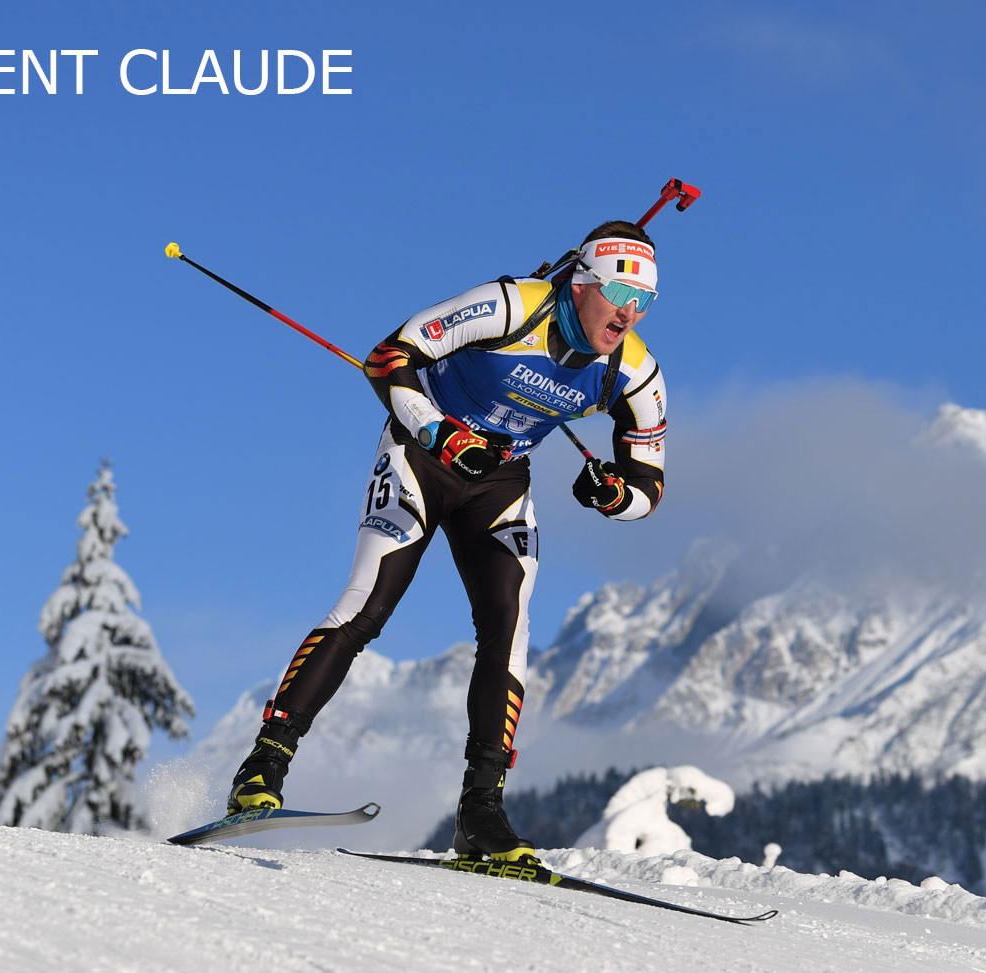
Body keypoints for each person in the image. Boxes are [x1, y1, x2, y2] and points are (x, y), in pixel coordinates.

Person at [226, 220, 669, 862]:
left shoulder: (632, 372)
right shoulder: (513, 307)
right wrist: (440, 434)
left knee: (507, 629)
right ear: (580, 284)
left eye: (645, 300)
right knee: (368, 606)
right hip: (421, 453)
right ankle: (263, 766)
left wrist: (612, 496)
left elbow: (648, 487)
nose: (629, 311)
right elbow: (388, 359)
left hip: (498, 482)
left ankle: (481, 813)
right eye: (619, 291)